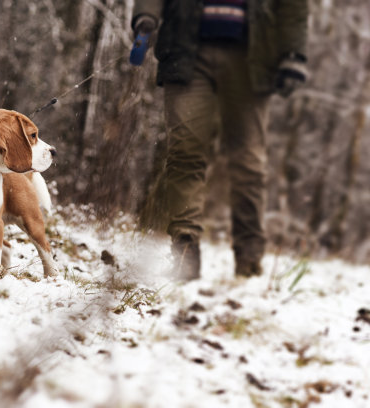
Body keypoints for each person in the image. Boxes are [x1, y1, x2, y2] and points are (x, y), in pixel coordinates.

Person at [131, 0, 309, 279]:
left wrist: (293, 53)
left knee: (248, 162)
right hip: (185, 48)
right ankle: (185, 253)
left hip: (253, 55)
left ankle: (249, 261)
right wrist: (146, 16)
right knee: (184, 153)